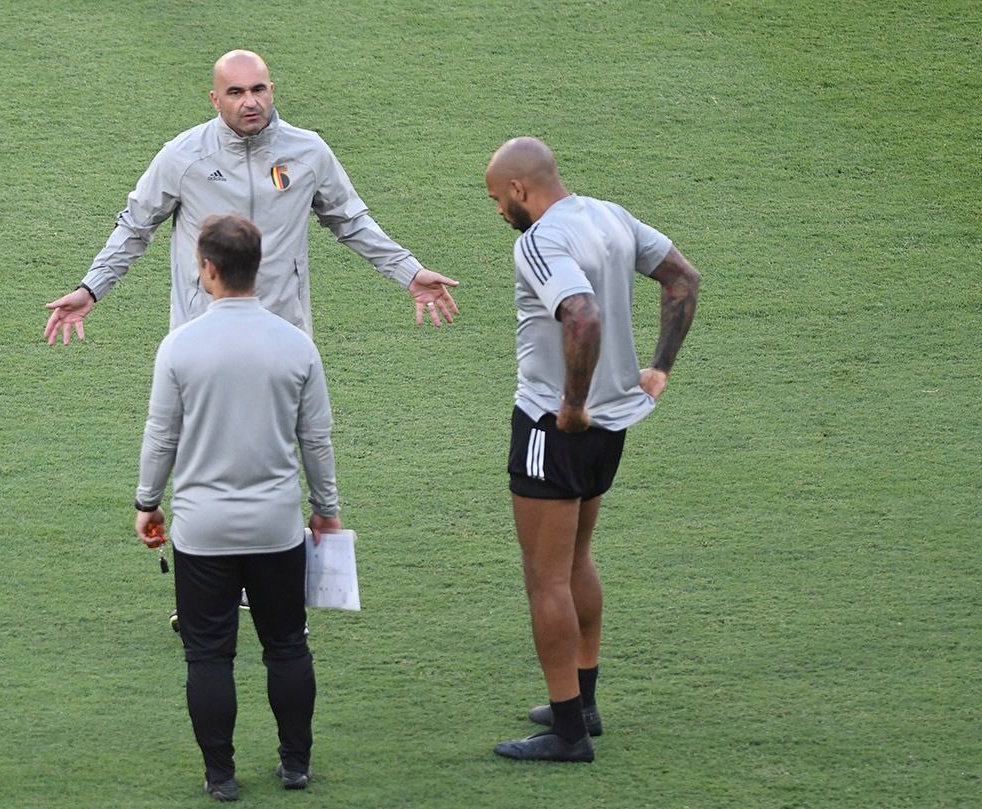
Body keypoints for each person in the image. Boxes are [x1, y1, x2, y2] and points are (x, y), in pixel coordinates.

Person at [483, 137, 700, 762]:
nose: (499, 212)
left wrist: (571, 404)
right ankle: (583, 703)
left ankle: (568, 735)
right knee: (577, 558)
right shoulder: (609, 214)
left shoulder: (539, 240)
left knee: (544, 577)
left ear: (520, 191)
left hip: (556, 427)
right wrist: (658, 368)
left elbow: (580, 316)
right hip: (614, 425)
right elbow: (682, 277)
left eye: (498, 200)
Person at [43, 48, 458, 346]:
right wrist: (91, 288)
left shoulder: (308, 152)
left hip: (283, 331)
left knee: (278, 451)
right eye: (236, 93)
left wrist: (409, 271)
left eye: (258, 89)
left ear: (272, 89)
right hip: (202, 332)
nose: (250, 102)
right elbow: (135, 226)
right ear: (215, 99)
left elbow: (350, 220)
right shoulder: (184, 156)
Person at [135, 213, 339, 801]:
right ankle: (295, 765)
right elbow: (317, 439)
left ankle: (221, 775)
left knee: (208, 655)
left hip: (202, 532)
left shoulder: (180, 346)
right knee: (288, 646)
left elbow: (161, 437)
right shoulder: (295, 345)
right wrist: (325, 509)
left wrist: (148, 502)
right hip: (278, 527)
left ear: (206, 269)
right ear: (260, 267)